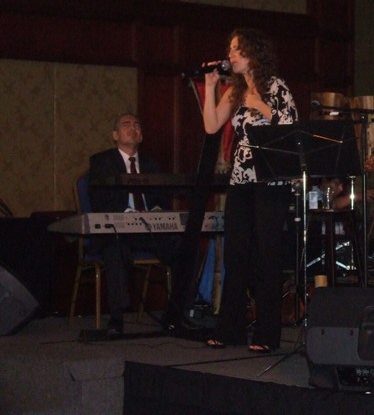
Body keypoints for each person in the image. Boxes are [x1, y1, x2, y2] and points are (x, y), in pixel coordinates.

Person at [201, 28, 298, 353]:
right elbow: (211, 126)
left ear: (254, 53)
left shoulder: (276, 86)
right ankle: (230, 330)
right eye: (230, 49)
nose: (230, 55)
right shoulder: (235, 90)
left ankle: (267, 334)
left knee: (267, 255)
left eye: (236, 49)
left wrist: (259, 105)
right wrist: (211, 88)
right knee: (236, 253)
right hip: (241, 181)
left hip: (271, 181)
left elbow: (291, 127)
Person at [88, 113, 181, 335]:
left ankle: (177, 312)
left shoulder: (151, 164)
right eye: (126, 124)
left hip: (149, 230)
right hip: (118, 231)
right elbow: (100, 201)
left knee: (183, 244)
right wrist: (129, 215)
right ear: (115, 135)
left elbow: (162, 199)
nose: (133, 128)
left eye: (137, 125)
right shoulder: (101, 162)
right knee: (115, 249)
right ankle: (116, 318)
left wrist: (156, 211)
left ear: (142, 135)